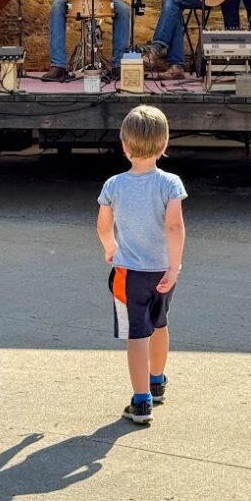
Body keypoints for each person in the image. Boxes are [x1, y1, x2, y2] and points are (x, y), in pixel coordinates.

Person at [96, 105, 186, 425]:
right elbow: (175, 228)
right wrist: (173, 268)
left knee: (137, 335)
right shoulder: (171, 183)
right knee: (159, 324)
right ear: (163, 146)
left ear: (124, 146)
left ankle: (141, 401)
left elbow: (104, 227)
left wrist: (111, 249)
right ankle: (157, 381)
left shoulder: (114, 185)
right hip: (163, 271)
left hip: (129, 273)